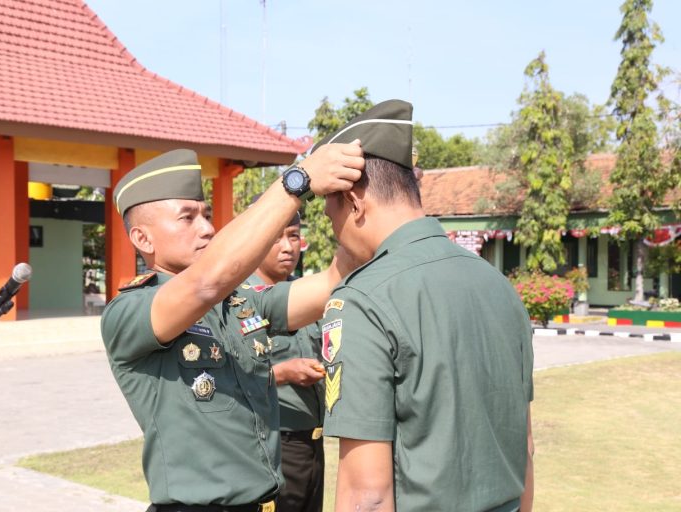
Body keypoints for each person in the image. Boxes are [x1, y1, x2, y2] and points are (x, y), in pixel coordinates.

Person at [100, 144, 364, 512]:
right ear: (143, 239)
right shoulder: (129, 311)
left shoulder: (238, 302)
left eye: (206, 215)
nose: (207, 229)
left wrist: (357, 208)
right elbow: (204, 283)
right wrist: (297, 181)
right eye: (187, 218)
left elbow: (331, 283)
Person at [315, 100, 535, 512]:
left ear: (355, 201)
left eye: (332, 217)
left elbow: (368, 495)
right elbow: (524, 449)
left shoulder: (362, 299)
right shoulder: (499, 285)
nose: (337, 235)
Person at [246, 196, 325, 512]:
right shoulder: (240, 302)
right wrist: (283, 373)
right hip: (273, 444)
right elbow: (225, 376)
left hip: (313, 444)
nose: (287, 246)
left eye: (293, 235)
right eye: (276, 236)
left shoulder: (306, 296)